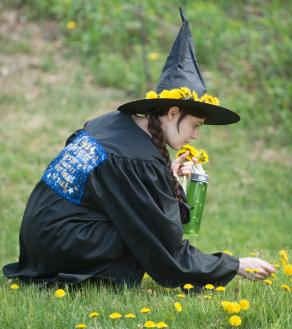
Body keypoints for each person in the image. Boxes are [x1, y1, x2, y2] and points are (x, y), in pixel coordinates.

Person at [3, 8, 275, 290]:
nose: (195, 135)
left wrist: (165, 177)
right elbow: (165, 249)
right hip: (64, 247)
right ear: (172, 113)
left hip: (44, 238)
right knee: (140, 231)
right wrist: (235, 265)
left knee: (138, 221)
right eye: (195, 125)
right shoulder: (136, 160)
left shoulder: (111, 125)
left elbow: (109, 188)